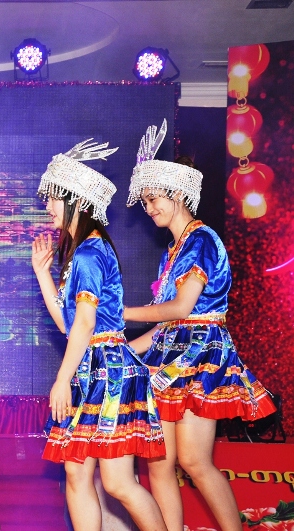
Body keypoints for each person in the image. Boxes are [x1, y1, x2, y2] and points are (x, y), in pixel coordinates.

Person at [124, 120, 276, 531]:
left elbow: (181, 307)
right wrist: (117, 347)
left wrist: (121, 313)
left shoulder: (202, 240)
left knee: (194, 461)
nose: (149, 208)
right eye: (146, 201)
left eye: (154, 199)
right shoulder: (171, 251)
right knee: (159, 462)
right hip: (169, 354)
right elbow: (165, 324)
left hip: (200, 354)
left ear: (177, 194)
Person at [31, 139, 167, 531]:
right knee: (76, 472)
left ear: (75, 200)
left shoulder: (89, 253)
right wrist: (42, 274)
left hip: (108, 372)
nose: (48, 206)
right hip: (93, 369)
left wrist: (61, 380)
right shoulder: (81, 253)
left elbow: (86, 324)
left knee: (117, 483)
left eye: (53, 198)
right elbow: (67, 324)